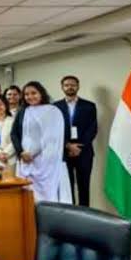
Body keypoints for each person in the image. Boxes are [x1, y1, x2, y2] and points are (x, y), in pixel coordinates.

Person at [11, 81, 71, 203]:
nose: (30, 96)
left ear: (41, 94)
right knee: (28, 196)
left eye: (34, 93)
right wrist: (21, 152)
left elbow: (51, 136)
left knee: (48, 197)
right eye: (26, 94)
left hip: (47, 162)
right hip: (26, 160)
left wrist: (31, 153)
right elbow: (14, 133)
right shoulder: (23, 111)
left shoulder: (52, 111)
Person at [54, 75, 97, 206]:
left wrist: (79, 147)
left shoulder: (89, 106)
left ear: (78, 86)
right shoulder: (55, 107)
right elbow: (54, 130)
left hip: (84, 152)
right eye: (66, 85)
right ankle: (71, 213)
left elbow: (92, 128)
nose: (70, 87)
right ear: (62, 87)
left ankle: (85, 213)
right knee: (67, 186)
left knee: (84, 185)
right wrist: (68, 145)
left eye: (73, 85)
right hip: (63, 152)